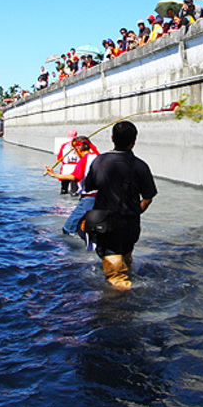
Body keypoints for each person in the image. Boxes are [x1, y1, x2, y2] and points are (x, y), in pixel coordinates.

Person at [80, 121, 157, 290]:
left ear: (112, 138)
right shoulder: (141, 166)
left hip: (105, 224)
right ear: (134, 140)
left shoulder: (99, 162)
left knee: (115, 273)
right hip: (130, 224)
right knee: (126, 259)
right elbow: (148, 197)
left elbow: (88, 186)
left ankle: (117, 310)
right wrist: (136, 211)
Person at [61, 135, 101, 248]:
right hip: (100, 197)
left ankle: (73, 250)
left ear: (79, 149)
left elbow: (75, 176)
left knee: (68, 228)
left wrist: (53, 174)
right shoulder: (98, 156)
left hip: (88, 198)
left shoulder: (84, 160)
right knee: (83, 224)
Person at [52, 128, 79, 195]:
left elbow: (59, 158)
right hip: (75, 170)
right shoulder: (79, 146)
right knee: (74, 191)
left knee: (64, 189)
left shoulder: (64, 146)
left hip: (66, 169)